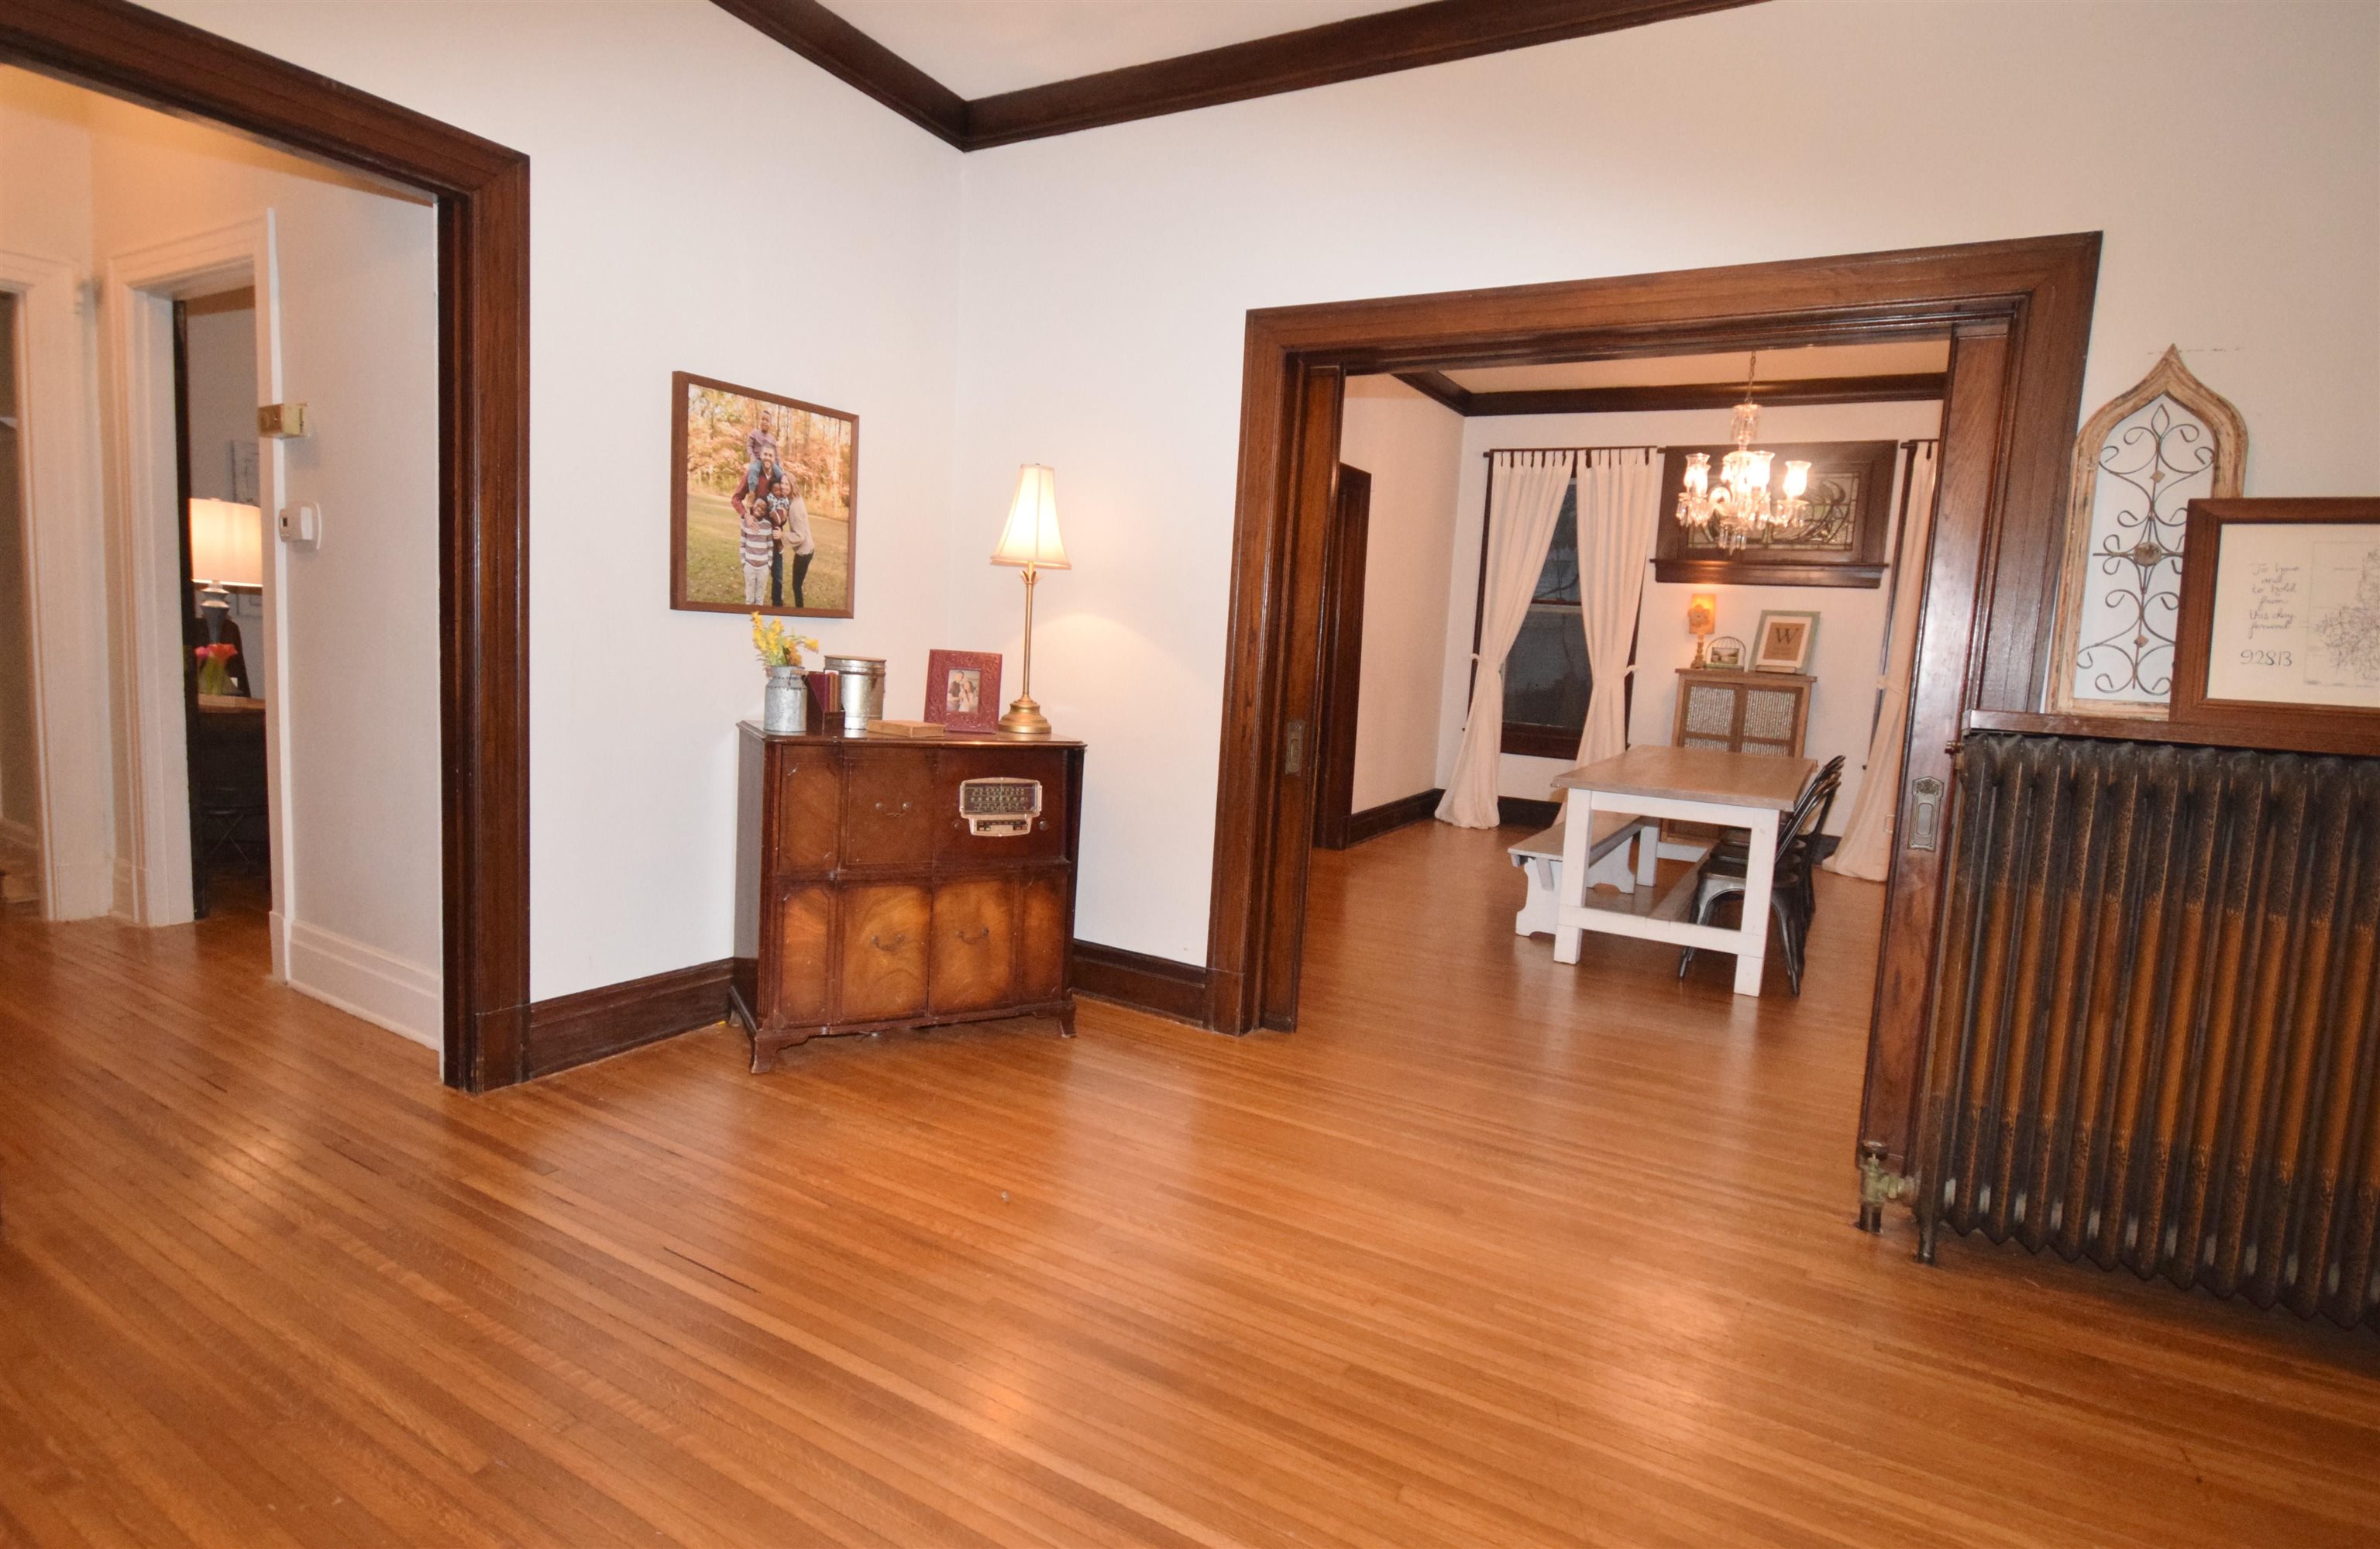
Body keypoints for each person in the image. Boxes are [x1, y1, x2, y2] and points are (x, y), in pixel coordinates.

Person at [774, 471, 817, 608]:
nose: (784, 486)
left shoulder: (795, 507)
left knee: (796, 585)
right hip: (807, 549)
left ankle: (801, 612)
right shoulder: (795, 499)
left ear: (792, 485)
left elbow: (800, 536)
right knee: (797, 584)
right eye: (782, 483)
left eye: (787, 484)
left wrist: (782, 535)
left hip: (804, 552)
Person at [738, 500, 774, 605]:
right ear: (753, 506)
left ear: (765, 512)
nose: (759, 509)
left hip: (763, 568)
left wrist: (769, 565)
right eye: (758, 506)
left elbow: (770, 547)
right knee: (749, 599)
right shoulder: (745, 523)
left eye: (763, 508)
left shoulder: (767, 525)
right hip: (749, 566)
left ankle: (758, 620)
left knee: (759, 599)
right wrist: (744, 563)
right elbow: (742, 544)